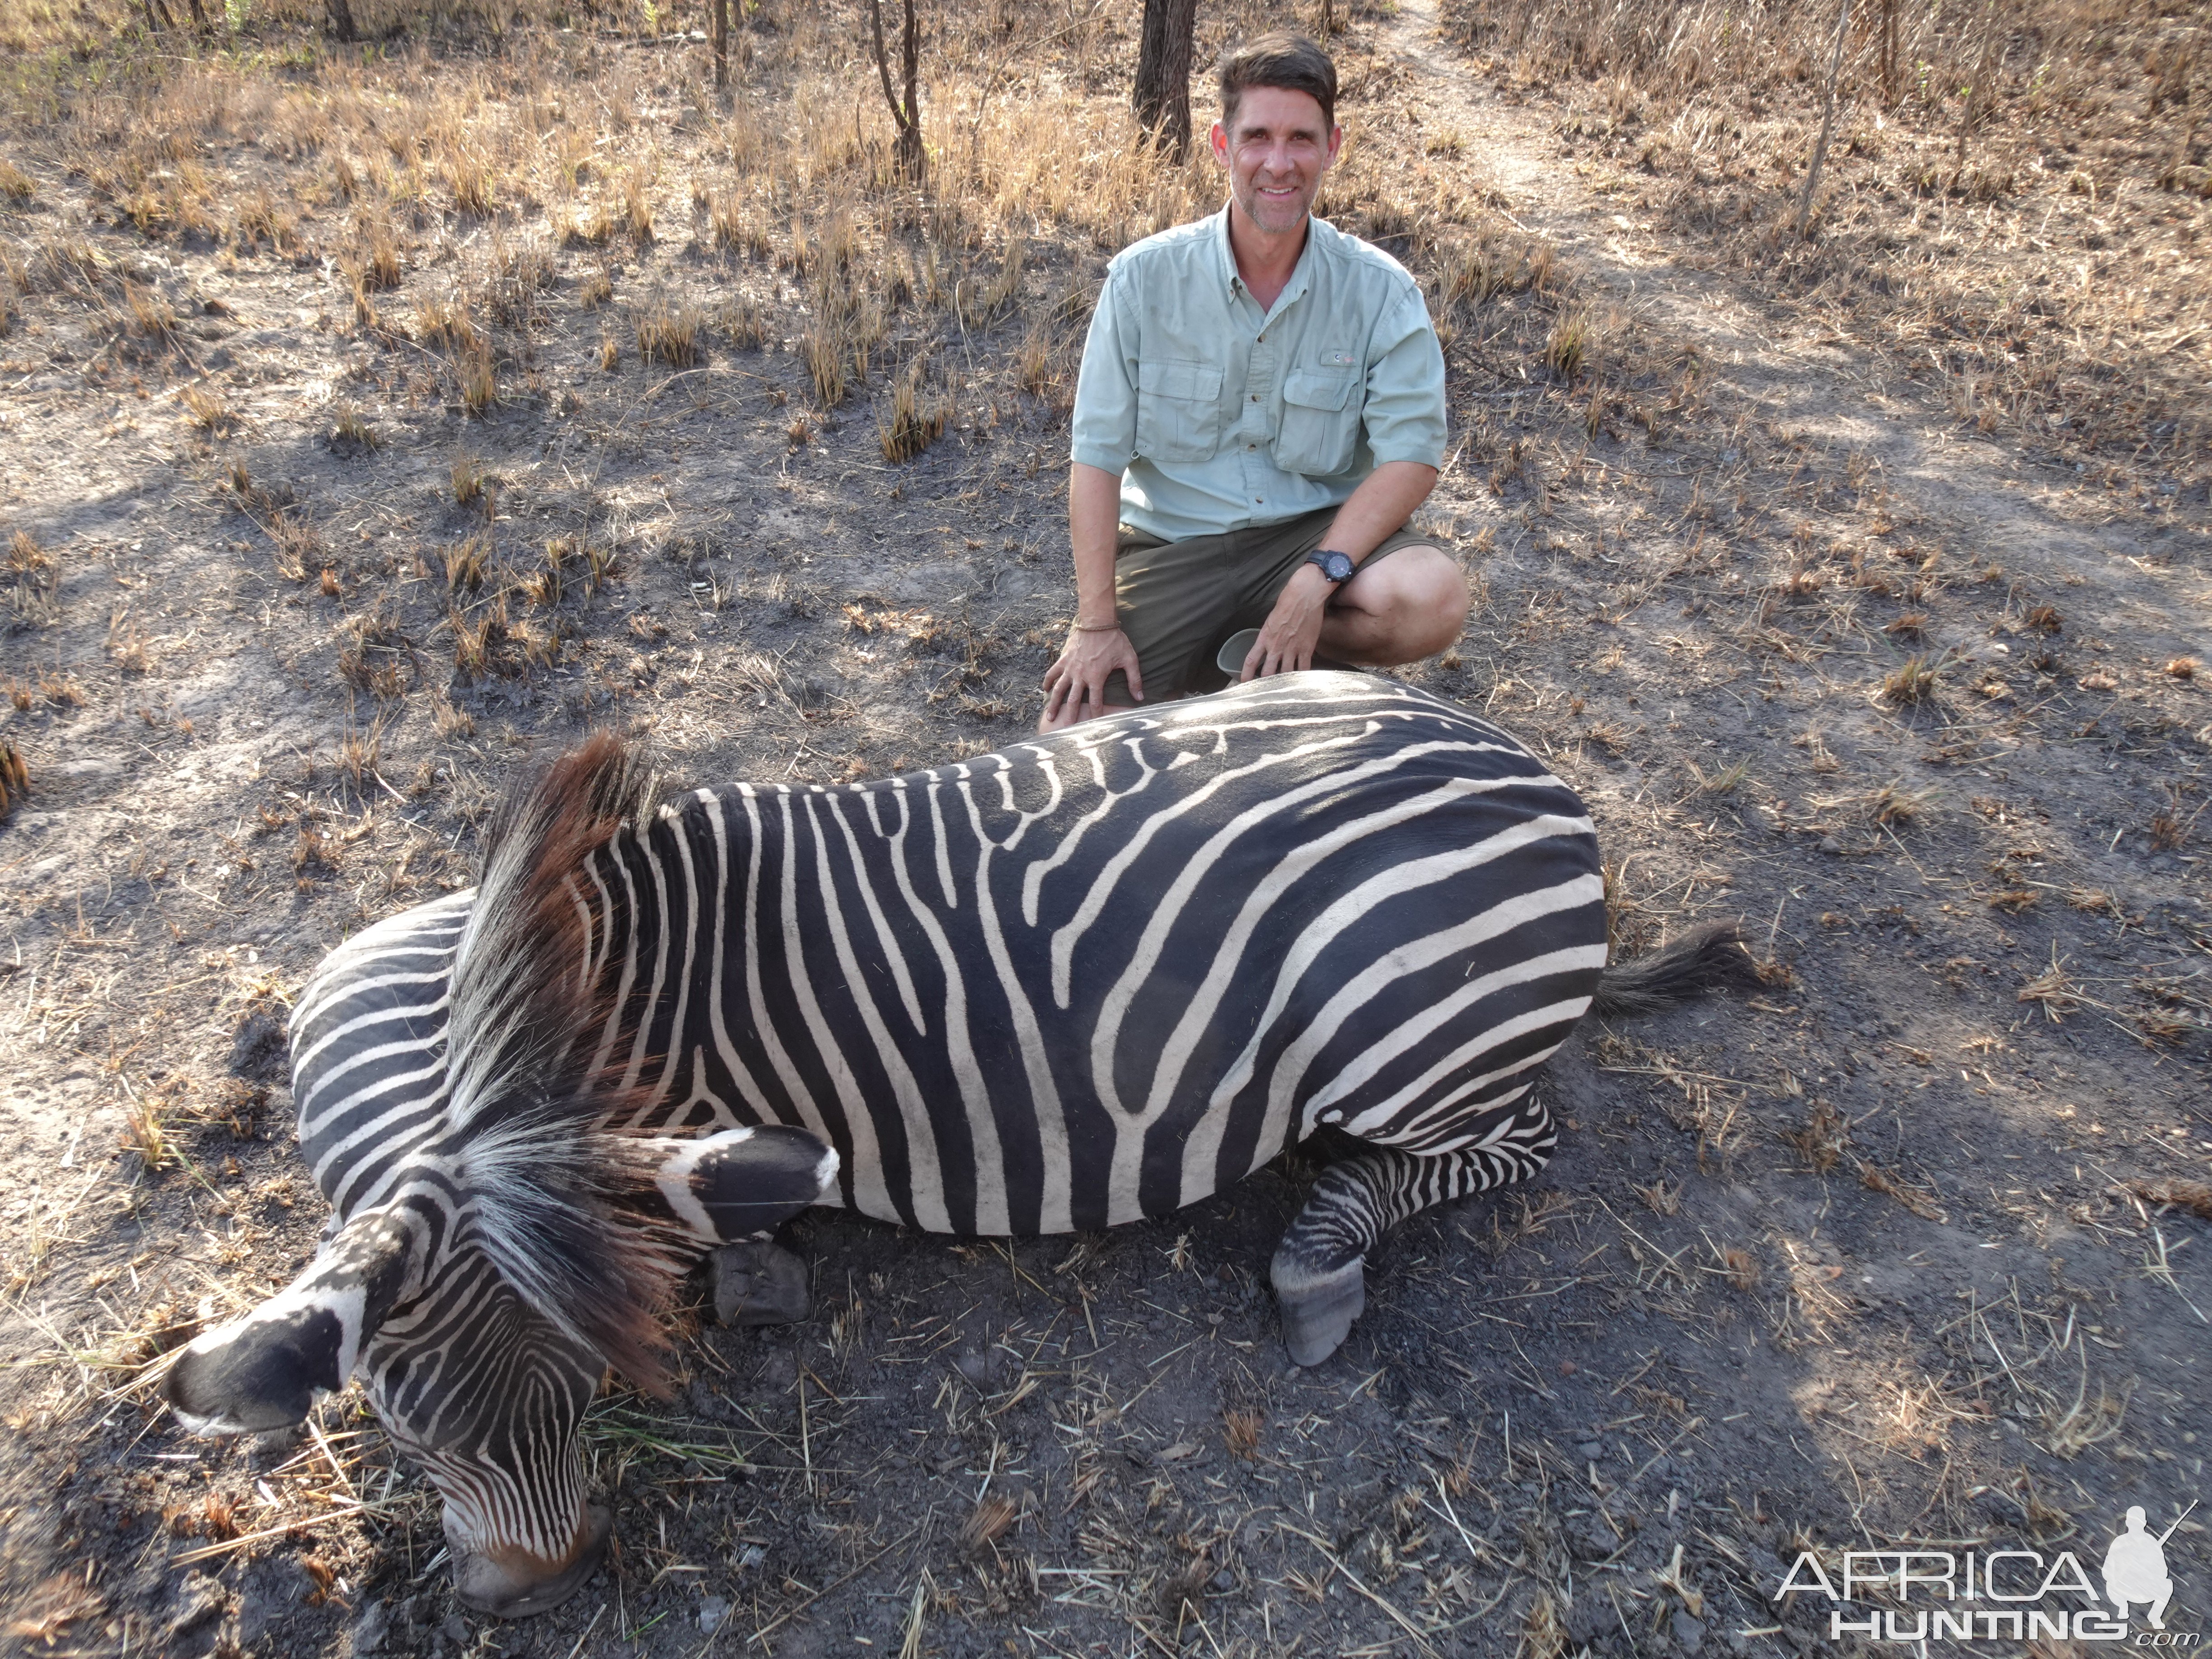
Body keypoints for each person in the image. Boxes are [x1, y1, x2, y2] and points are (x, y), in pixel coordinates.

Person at [1038, 31, 1468, 732]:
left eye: (1302, 139)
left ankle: (1286, 635)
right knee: (1070, 745)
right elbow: (1097, 457)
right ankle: (1230, 655)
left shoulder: (1382, 291)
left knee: (1433, 596)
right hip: (1176, 546)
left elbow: (1412, 457)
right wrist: (1095, 624)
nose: (1279, 163)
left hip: (1315, 540)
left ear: (1333, 147)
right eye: (1258, 136)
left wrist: (1316, 577)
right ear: (1221, 144)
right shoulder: (1144, 280)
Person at [2101, 1505, 2175, 1629]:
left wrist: (2147, 1568)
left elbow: (2163, 1571)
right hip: (2122, 1590)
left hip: (2144, 1591)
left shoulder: (2151, 1543)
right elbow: (2107, 1569)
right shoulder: (2120, 1542)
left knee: (2168, 1584)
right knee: (2110, 1583)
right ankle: (2123, 1607)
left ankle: (2155, 1617)